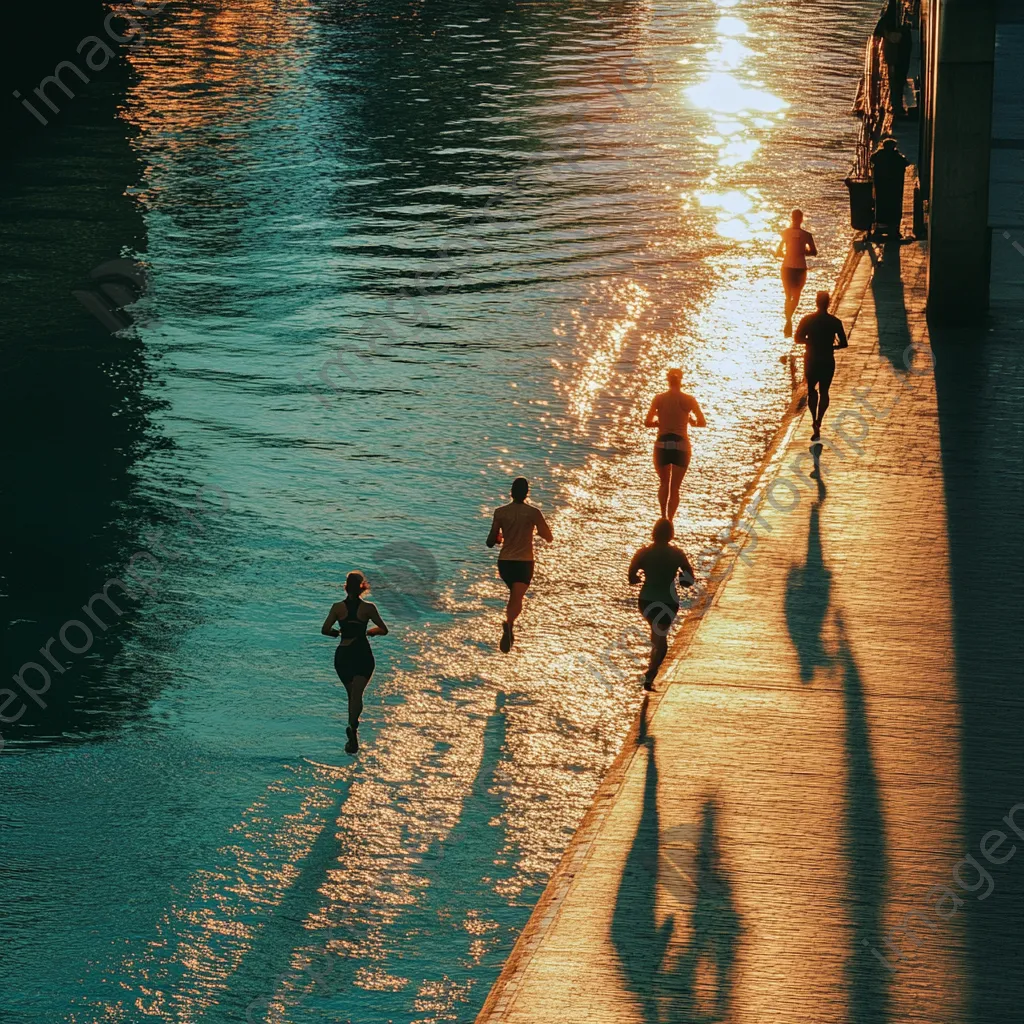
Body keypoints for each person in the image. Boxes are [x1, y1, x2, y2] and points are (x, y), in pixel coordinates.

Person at [321, 571, 389, 754]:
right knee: (358, 694)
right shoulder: (369, 608)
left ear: (345, 587)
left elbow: (325, 630)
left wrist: (337, 633)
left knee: (352, 694)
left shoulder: (337, 608)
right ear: (362, 587)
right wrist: (371, 632)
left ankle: (352, 736)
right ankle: (353, 728)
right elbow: (384, 629)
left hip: (343, 655)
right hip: (362, 654)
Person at [486, 477, 553, 652]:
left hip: (505, 563)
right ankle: (509, 624)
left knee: (514, 595)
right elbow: (549, 537)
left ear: (511, 492)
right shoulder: (533, 513)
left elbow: (490, 541)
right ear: (526, 493)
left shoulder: (500, 512)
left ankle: (509, 627)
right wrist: (537, 532)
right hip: (524, 562)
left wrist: (500, 538)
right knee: (517, 597)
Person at [628, 518, 695, 690]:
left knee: (655, 634)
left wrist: (639, 576)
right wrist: (680, 577)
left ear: (653, 533)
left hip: (647, 600)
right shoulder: (677, 554)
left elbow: (632, 577)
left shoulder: (643, 552)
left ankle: (651, 668)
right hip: (667, 600)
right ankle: (652, 670)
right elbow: (689, 580)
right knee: (661, 637)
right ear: (671, 534)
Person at [644, 368, 706, 522]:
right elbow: (702, 423)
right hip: (681, 445)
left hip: (662, 443)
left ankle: (663, 517)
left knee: (664, 483)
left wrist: (659, 423)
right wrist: (690, 421)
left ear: (667, 380)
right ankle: (671, 521)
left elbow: (647, 422)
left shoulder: (658, 399)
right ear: (681, 380)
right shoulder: (689, 400)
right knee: (675, 488)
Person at [795, 291, 848, 442]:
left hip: (811, 359)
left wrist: (810, 341)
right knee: (824, 391)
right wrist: (832, 346)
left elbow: (797, 338)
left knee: (812, 390)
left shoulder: (807, 320)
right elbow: (844, 343)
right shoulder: (835, 322)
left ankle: (813, 419)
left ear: (816, 302)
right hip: (827, 359)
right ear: (828, 303)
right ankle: (819, 420)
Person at [776, 209, 818, 337]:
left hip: (787, 267)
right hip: (800, 268)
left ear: (791, 218)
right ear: (801, 219)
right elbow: (814, 252)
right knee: (796, 296)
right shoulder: (807, 235)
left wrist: (784, 253)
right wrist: (803, 251)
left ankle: (788, 321)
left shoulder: (784, 233)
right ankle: (789, 320)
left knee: (787, 296)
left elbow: (778, 252)